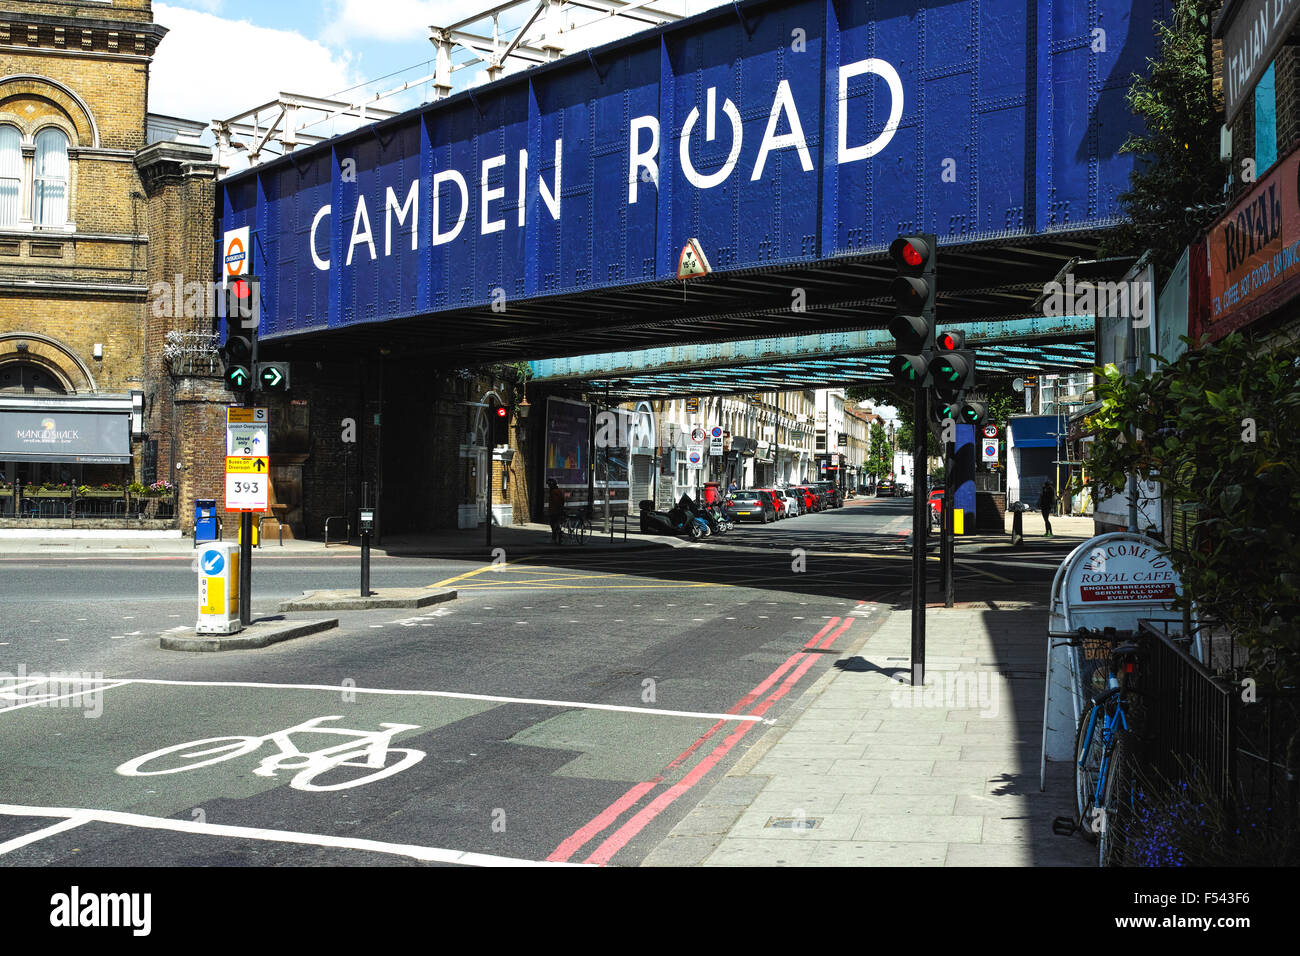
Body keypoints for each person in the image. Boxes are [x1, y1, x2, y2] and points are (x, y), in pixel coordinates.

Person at [547, 478, 566, 544]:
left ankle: (555, 538)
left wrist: (553, 509)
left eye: (549, 485)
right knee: (556, 525)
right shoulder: (560, 491)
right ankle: (558, 538)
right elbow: (563, 500)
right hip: (559, 510)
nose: (548, 486)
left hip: (554, 511)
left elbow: (555, 502)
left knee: (554, 525)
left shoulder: (553, 492)